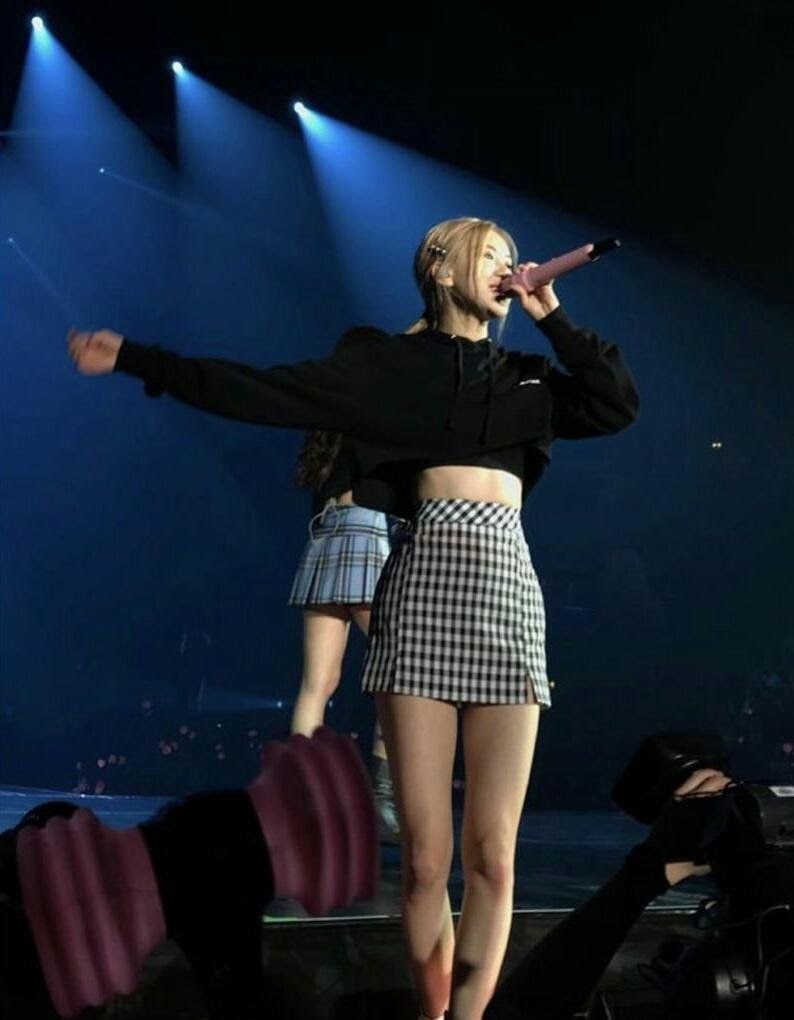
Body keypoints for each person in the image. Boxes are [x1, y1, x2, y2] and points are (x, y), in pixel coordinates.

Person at [67, 216, 639, 1019]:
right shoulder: (387, 366)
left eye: (514, 259)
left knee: (494, 855)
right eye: (491, 255)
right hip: (423, 587)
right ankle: (434, 1012)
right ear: (441, 268)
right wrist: (136, 358)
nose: (508, 268)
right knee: (428, 859)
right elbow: (261, 390)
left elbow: (616, 403)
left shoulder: (527, 376)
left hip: (509, 593)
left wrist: (552, 315)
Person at [291, 412, 400, 842]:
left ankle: (298, 798)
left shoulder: (327, 432)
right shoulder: (372, 421)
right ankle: (384, 798)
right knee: (401, 668)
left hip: (324, 537)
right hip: (364, 533)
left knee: (316, 684)